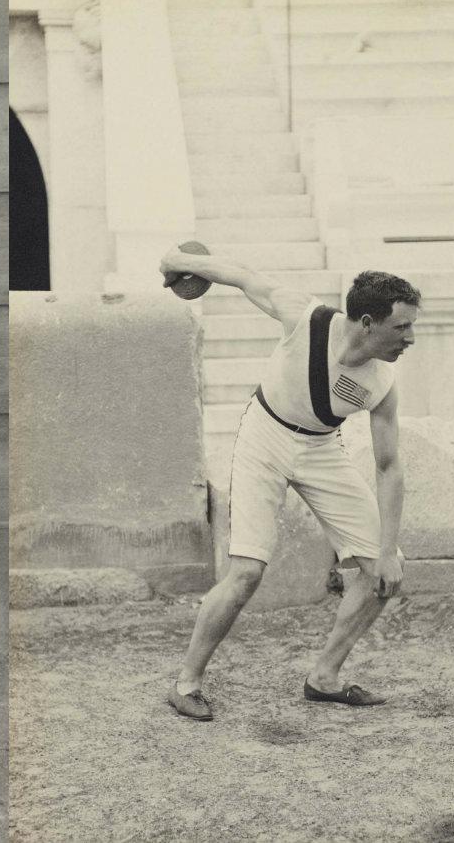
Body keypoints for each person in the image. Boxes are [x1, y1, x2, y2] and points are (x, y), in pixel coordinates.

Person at [160, 244, 420, 720]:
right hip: (265, 435)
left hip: (322, 449)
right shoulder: (305, 318)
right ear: (367, 322)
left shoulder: (382, 384)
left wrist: (385, 549)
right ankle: (187, 683)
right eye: (401, 326)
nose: (411, 338)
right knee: (246, 574)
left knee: (385, 568)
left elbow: (389, 466)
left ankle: (324, 678)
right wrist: (179, 260)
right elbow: (241, 272)